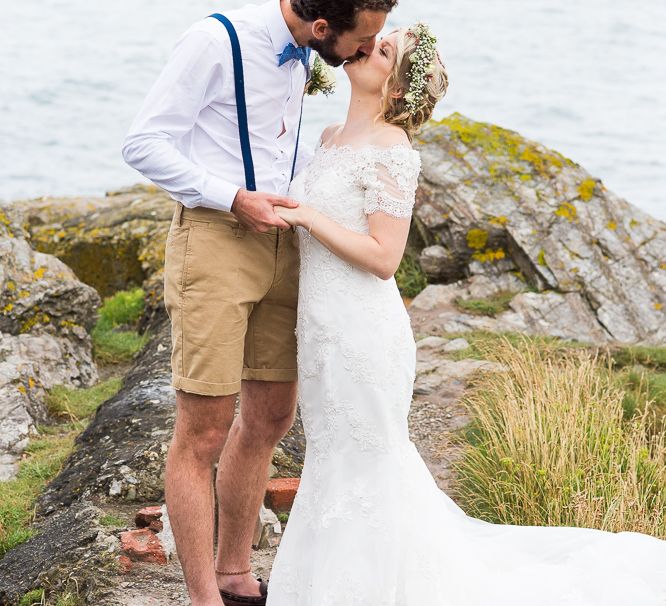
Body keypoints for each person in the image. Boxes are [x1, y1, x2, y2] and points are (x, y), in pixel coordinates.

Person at [269, 22, 666, 605]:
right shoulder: (328, 136)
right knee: (332, 456)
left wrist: (307, 217)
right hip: (321, 327)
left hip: (363, 332)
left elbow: (384, 257)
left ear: (398, 86)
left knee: (370, 463)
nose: (366, 47)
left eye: (384, 50)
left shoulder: (393, 151)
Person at [121, 1, 398, 604]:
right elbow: (143, 143)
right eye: (364, 38)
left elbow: (283, 145)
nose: (363, 51)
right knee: (204, 429)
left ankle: (235, 573)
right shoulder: (215, 40)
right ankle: (202, 597)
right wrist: (233, 196)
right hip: (216, 241)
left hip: (292, 248)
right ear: (324, 27)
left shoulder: (309, 52)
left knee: (271, 416)